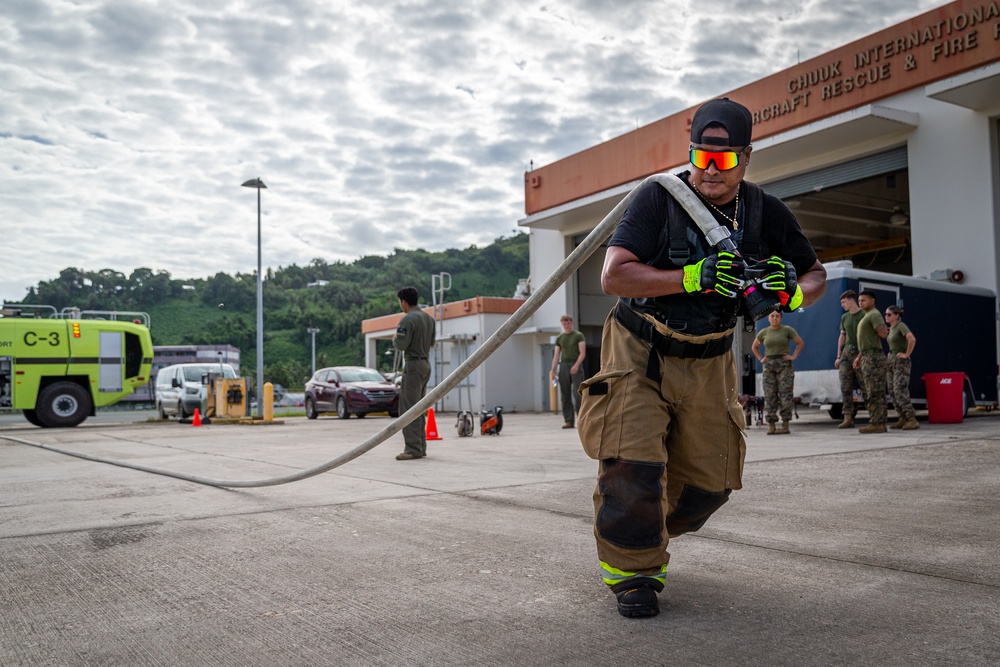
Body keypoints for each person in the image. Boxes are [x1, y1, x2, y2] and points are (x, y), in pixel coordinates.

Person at [577, 97, 826, 618]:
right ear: (690, 152)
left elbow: (815, 274)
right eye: (701, 156)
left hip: (712, 358)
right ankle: (634, 573)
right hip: (640, 347)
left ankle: (643, 525)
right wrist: (691, 277)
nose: (711, 170)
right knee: (632, 466)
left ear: (747, 157)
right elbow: (614, 276)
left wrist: (793, 293)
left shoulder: (765, 212)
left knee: (709, 486)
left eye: (725, 160)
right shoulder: (657, 198)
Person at [392, 286, 436, 460]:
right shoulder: (429, 319)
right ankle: (420, 446)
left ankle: (412, 448)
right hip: (425, 364)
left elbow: (401, 345)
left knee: (408, 408)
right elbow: (431, 342)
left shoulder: (407, 320)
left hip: (413, 366)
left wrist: (395, 339)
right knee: (419, 408)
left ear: (403, 302)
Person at [752, 310, 804, 435]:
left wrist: (793, 356)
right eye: (772, 316)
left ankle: (785, 424)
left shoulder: (787, 330)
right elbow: (755, 347)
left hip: (784, 365)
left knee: (785, 394)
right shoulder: (764, 332)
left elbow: (800, 343)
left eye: (777, 316)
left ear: (781, 318)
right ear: (768, 318)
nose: (774, 318)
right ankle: (771, 425)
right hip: (769, 365)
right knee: (770, 395)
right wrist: (761, 358)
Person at [852, 289, 889, 434]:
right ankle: (879, 421)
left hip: (873, 358)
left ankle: (877, 423)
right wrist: (859, 357)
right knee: (873, 390)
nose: (860, 303)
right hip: (867, 355)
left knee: (874, 391)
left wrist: (886, 331)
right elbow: (868, 340)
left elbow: (882, 334)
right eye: (859, 300)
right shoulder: (867, 315)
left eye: (863, 300)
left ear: (872, 301)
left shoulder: (874, 314)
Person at [834, 290, 866, 429]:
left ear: (852, 301)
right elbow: (842, 336)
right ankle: (848, 417)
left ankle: (875, 415)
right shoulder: (845, 317)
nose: (842, 305)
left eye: (844, 302)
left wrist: (861, 355)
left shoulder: (864, 315)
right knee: (845, 386)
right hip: (847, 353)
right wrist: (839, 356)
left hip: (861, 353)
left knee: (865, 385)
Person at [885, 305, 919, 430]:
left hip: (901, 362)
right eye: (886, 314)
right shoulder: (891, 329)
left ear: (897, 315)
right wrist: (891, 352)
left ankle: (911, 418)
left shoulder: (901, 326)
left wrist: (906, 354)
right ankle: (902, 417)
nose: (886, 317)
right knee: (892, 391)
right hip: (891, 361)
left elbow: (912, 339)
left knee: (900, 389)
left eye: (889, 314)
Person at [550, 315, 587, 429]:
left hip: (575, 364)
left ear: (572, 323)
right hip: (564, 365)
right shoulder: (560, 338)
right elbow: (556, 355)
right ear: (562, 324)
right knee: (565, 395)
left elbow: (582, 353)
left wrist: (576, 365)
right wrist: (553, 370)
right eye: (564, 324)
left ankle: (582, 420)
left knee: (577, 394)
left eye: (568, 323)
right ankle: (569, 421)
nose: (566, 325)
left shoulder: (578, 335)